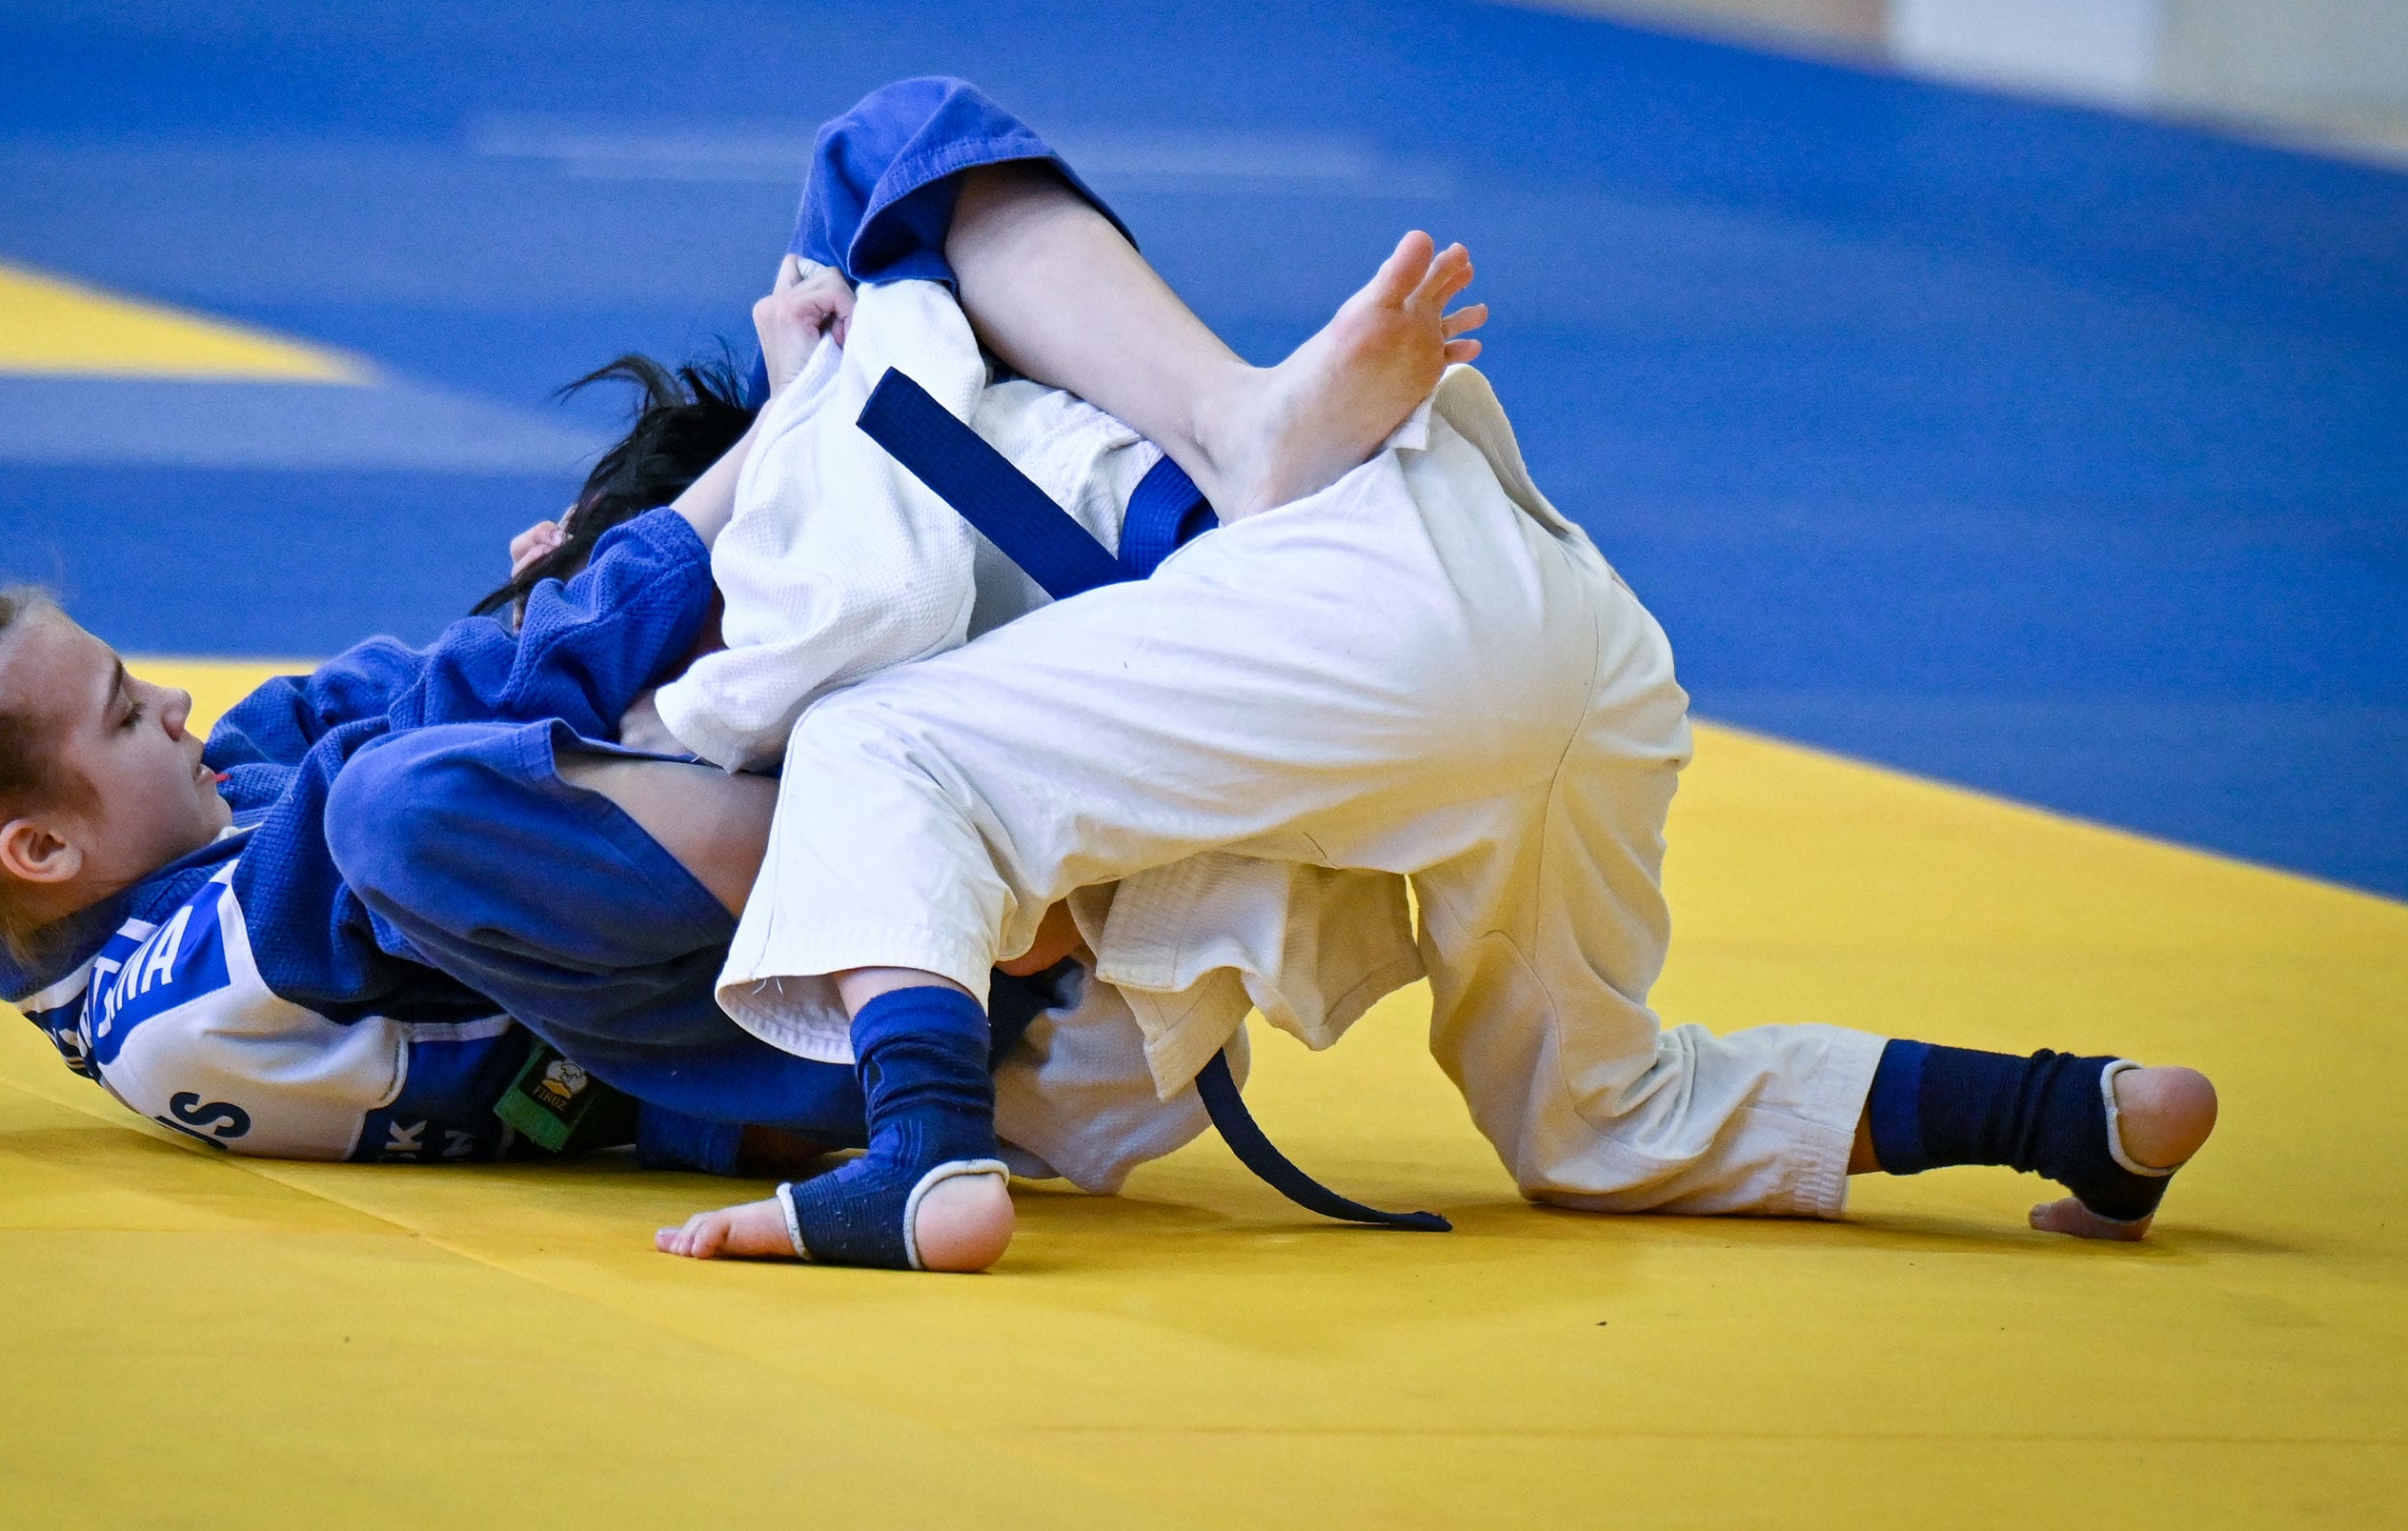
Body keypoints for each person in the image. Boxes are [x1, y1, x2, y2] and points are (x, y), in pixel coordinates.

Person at [0, 79, 1484, 1193]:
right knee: (407, 805)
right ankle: (1010, 865)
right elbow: (440, 741)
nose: (170, 702)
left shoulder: (179, 815)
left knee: (888, 160)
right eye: (114, 713)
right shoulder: (182, 1003)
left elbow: (429, 675)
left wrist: (605, 556)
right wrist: (752, 474)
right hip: (940, 1038)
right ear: (41, 849)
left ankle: (1233, 452)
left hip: (827, 890)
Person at [614, 97, 2225, 1275]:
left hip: (1347, 599)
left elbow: (901, 162)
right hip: (1557, 627)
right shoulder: (966, 454)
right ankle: (2074, 1114)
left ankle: (917, 1161)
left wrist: (781, 423)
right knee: (1602, 1120)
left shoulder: (846, 423)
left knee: (874, 748)